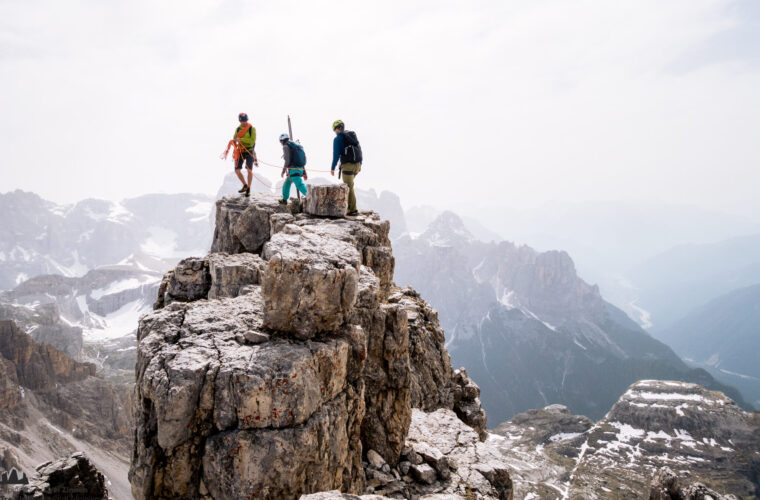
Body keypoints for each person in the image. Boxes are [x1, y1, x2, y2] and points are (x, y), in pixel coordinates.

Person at [330, 120, 362, 216]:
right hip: (357, 165)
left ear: (336, 129)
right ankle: (349, 208)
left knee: (349, 187)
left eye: (334, 130)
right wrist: (360, 164)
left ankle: (353, 210)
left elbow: (336, 155)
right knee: (350, 186)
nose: (334, 132)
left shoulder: (338, 139)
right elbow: (359, 149)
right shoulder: (351, 135)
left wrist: (332, 168)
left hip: (347, 166)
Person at [233, 112, 258, 197]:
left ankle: (248, 189)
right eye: (242, 121)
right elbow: (234, 138)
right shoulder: (238, 129)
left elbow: (252, 141)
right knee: (237, 170)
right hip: (240, 151)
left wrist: (241, 140)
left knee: (249, 170)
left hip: (249, 151)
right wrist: (235, 141)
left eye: (245, 120)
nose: (244, 122)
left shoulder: (252, 129)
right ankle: (245, 185)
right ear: (240, 121)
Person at [279, 133, 308, 205]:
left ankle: (310, 196)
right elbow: (300, 160)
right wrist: (304, 173)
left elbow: (287, 160)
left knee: (299, 184)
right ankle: (284, 199)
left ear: (282, 141)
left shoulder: (286, 146)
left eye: (280, 142)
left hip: (294, 169)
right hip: (299, 169)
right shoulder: (294, 145)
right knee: (287, 183)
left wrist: (283, 171)